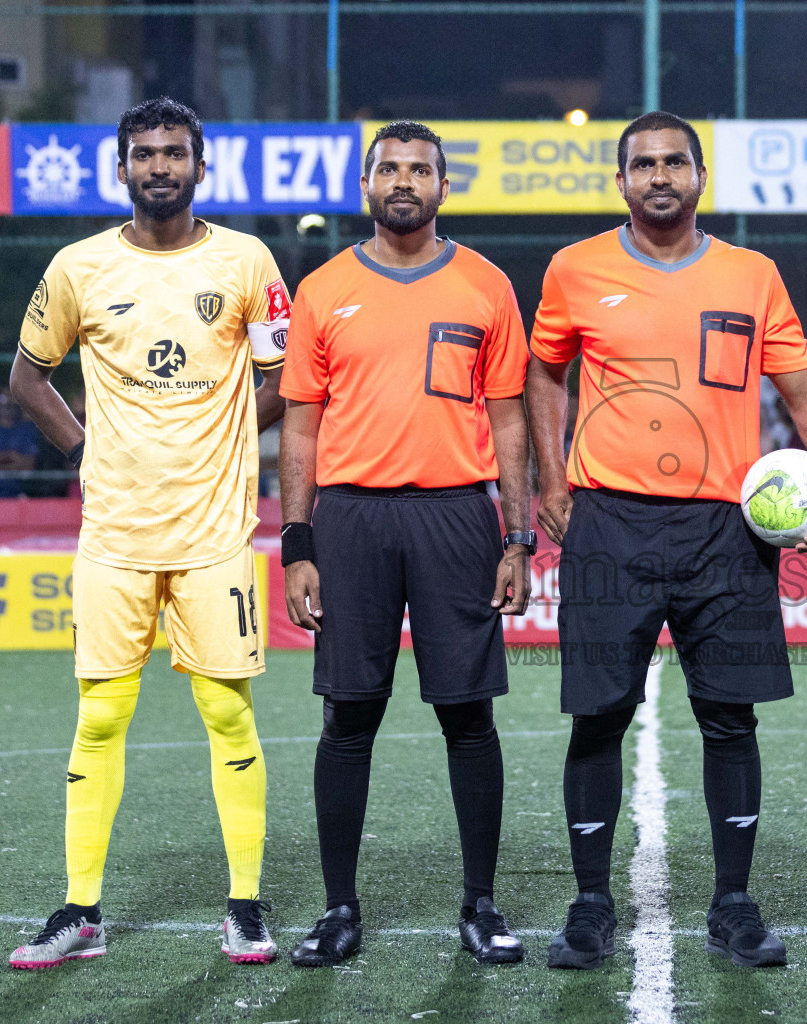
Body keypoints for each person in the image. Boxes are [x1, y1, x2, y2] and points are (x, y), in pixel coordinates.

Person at [526, 111, 807, 970]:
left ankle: (734, 904)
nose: (660, 176)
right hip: (610, 523)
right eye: (643, 164)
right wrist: (552, 480)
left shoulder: (751, 276)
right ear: (621, 181)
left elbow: (802, 388)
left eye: (675, 161)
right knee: (597, 716)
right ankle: (590, 905)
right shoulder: (576, 269)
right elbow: (543, 370)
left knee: (729, 718)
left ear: (700, 175)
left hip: (727, 529)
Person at [7, 97, 291, 969]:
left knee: (225, 713)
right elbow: (27, 377)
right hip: (115, 537)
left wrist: (231, 438)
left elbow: (283, 375)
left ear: (200, 167)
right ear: (121, 168)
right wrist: (87, 446)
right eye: (144, 154)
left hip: (214, 535)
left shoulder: (246, 260)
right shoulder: (78, 267)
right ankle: (79, 912)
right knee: (99, 717)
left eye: (174, 153)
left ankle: (245, 906)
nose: (159, 166)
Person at [279, 120, 533, 968]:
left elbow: (509, 419)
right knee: (348, 715)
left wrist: (518, 537)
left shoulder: (487, 285)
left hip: (457, 515)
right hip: (351, 518)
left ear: (443, 187)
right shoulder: (322, 288)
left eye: (419, 169)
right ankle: (339, 909)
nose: (403, 180)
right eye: (388, 167)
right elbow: (302, 431)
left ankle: (482, 904)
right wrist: (297, 542)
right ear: (366, 186)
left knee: (468, 713)